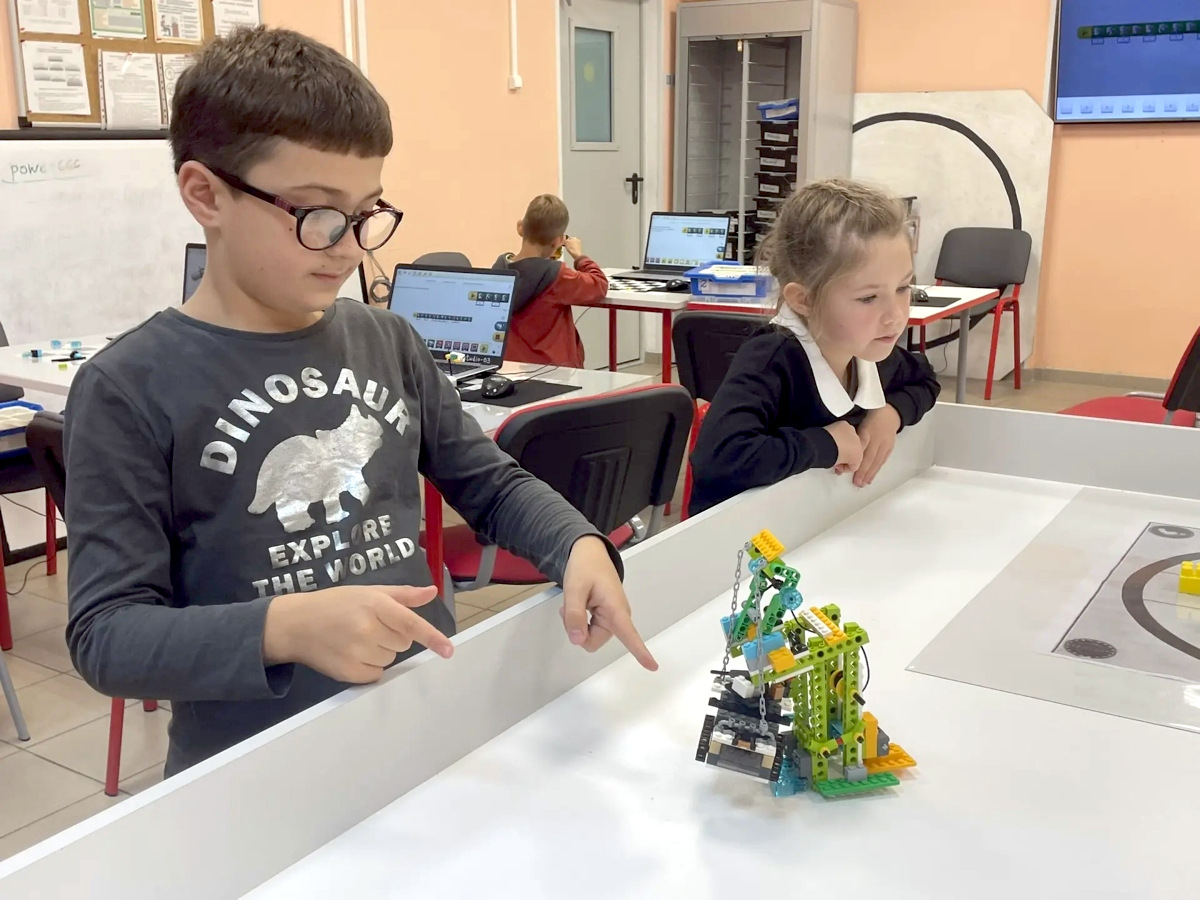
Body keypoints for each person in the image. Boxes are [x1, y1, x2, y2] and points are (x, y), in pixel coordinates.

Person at [63, 26, 657, 778]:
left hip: (417, 724)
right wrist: (281, 628)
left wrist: (576, 543)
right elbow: (107, 635)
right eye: (316, 215)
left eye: (366, 212)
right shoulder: (128, 387)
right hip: (255, 768)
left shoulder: (388, 339)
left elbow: (493, 485)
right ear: (205, 194)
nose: (348, 248)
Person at [687, 178, 941, 516]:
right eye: (868, 297)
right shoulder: (772, 359)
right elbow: (720, 458)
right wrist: (826, 444)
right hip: (740, 536)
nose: (895, 315)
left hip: (815, 523)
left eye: (903, 287)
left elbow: (925, 380)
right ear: (804, 300)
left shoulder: (867, 349)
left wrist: (891, 413)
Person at [493, 194, 608, 367]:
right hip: (553, 371)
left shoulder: (499, 269)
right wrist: (579, 256)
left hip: (509, 368)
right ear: (559, 241)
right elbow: (599, 284)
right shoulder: (558, 276)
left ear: (520, 228)